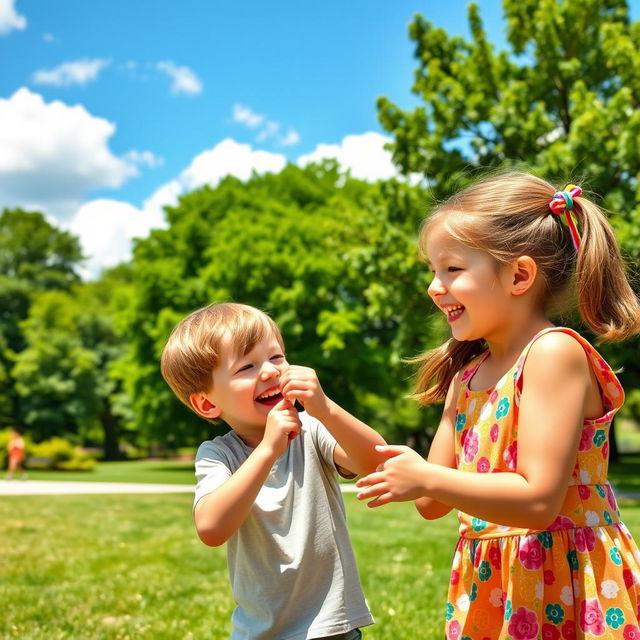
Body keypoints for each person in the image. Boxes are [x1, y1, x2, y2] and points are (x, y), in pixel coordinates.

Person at [355, 173, 640, 639]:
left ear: (518, 276)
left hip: (566, 580)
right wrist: (323, 408)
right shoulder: (466, 379)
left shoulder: (552, 353)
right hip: (496, 585)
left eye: (452, 269)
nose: (433, 286)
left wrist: (425, 476)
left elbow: (538, 501)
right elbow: (429, 502)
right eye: (432, 270)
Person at [161, 302, 385, 640]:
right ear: (207, 404)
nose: (269, 372)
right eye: (247, 366)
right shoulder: (219, 454)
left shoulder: (313, 429)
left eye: (276, 357)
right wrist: (267, 450)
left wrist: (324, 408)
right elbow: (211, 528)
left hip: (332, 626)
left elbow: (376, 461)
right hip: (261, 633)